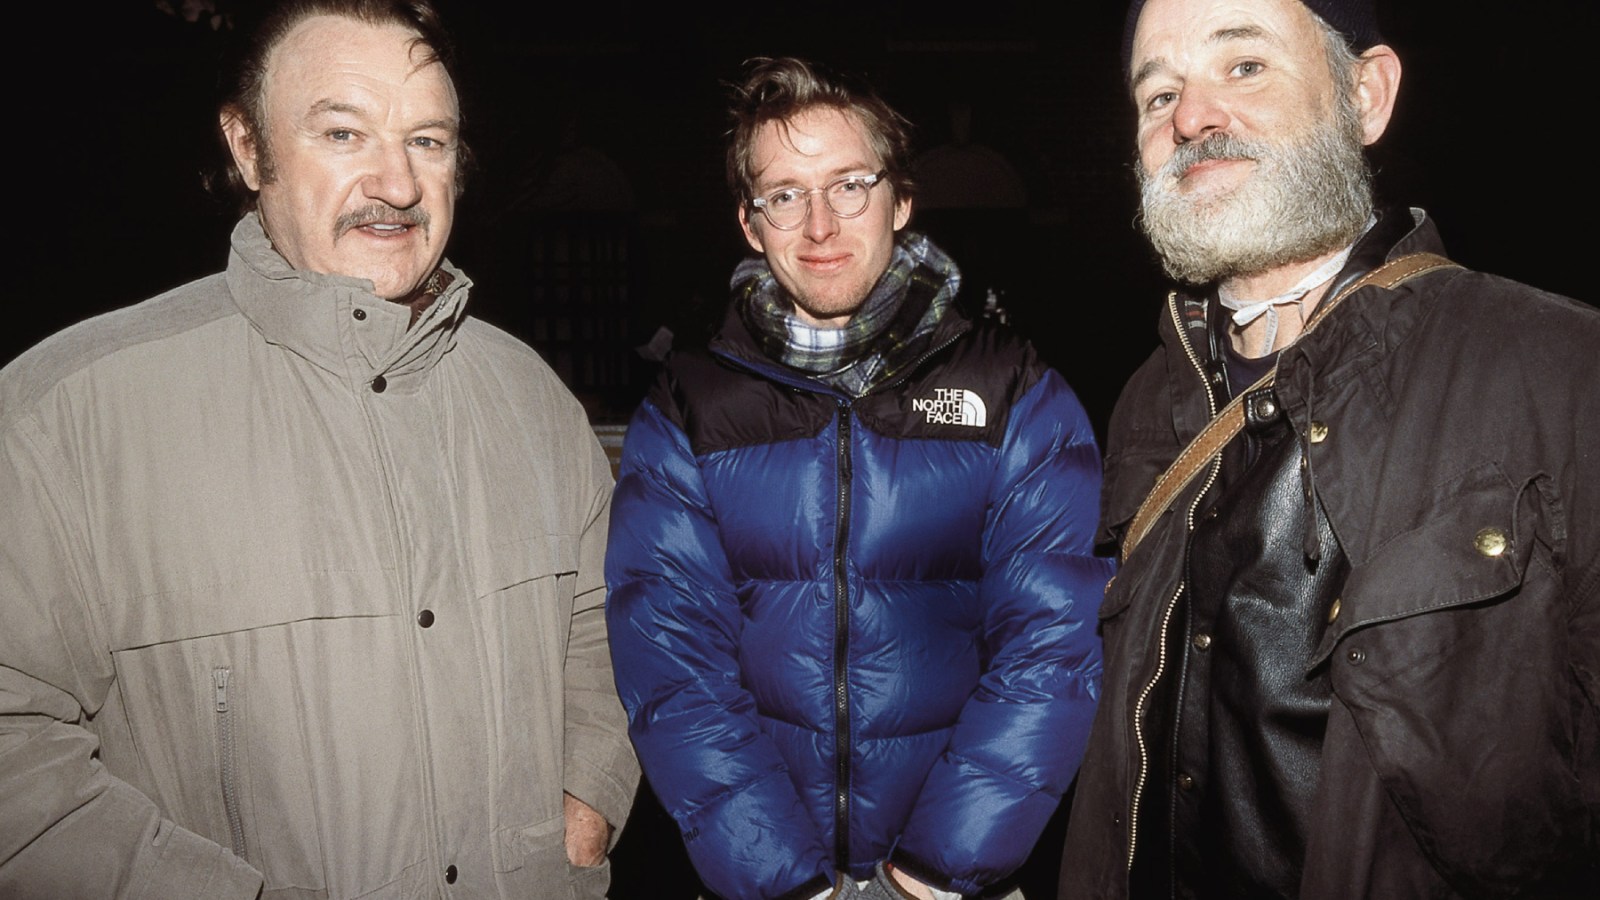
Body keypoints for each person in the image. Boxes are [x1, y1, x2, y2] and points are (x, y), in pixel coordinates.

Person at [0, 2, 637, 897]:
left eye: (428, 140)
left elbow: (603, 629)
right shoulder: (61, 416)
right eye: (344, 132)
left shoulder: (530, 396)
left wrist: (586, 804)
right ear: (248, 147)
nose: (397, 183)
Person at [1060, 0, 1599, 897]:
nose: (1191, 117)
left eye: (1244, 67)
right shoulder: (1148, 398)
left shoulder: (1564, 373)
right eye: (1158, 94)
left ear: (1367, 95)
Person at [605, 57, 1110, 900]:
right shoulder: (690, 406)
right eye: (784, 194)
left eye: (849, 185)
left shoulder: (1013, 390)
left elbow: (1053, 644)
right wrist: (781, 879)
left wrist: (936, 867)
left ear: (901, 200)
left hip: (957, 877)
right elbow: (671, 661)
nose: (818, 224)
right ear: (748, 221)